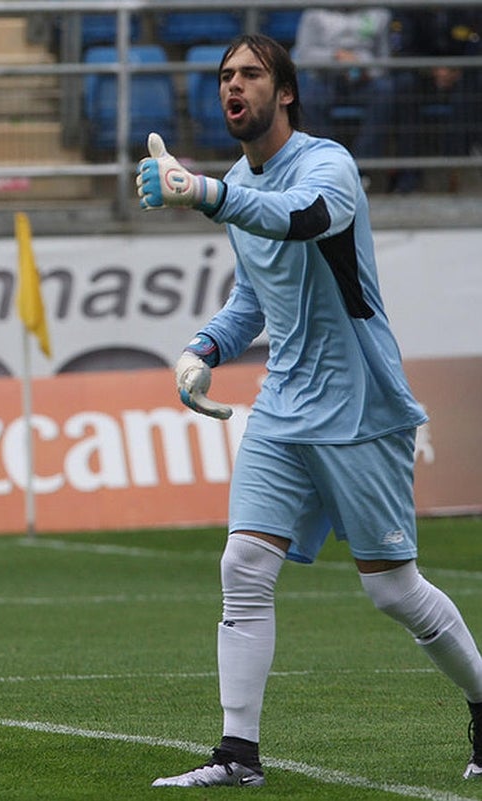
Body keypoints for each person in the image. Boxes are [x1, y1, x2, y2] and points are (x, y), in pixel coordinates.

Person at [136, 34, 482, 788]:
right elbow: (253, 299)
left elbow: (301, 219)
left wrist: (203, 193)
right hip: (284, 406)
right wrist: (203, 348)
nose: (235, 85)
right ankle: (238, 754)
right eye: (225, 75)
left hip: (360, 405)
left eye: (251, 74)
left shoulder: (328, 165)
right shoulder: (234, 180)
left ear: (284, 92)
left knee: (392, 589)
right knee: (244, 564)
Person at [390, 9, 482, 194]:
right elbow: (403, 50)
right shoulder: (410, 11)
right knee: (404, 86)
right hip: (421, 75)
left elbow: (475, 44)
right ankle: (408, 177)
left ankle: (457, 163)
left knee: (471, 88)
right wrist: (432, 69)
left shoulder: (466, 10)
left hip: (462, 75)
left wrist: (458, 69)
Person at [293, 7, 393, 162]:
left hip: (365, 80)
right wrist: (336, 57)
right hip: (325, 78)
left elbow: (384, 60)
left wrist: (362, 65)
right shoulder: (314, 14)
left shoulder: (379, 13)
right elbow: (304, 55)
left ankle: (362, 165)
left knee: (386, 91)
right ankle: (330, 161)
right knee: (309, 98)